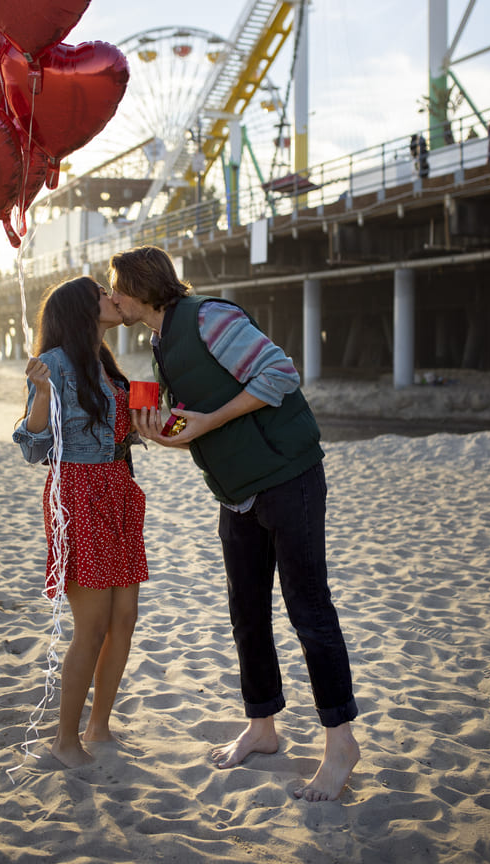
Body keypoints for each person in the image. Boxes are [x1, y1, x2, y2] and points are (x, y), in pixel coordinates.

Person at [108, 246, 359, 802]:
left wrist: (208, 420)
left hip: (288, 476)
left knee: (309, 610)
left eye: (116, 288)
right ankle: (262, 726)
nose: (113, 299)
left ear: (140, 287)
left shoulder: (209, 318)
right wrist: (164, 433)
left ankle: (341, 742)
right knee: (246, 612)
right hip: (237, 493)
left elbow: (280, 374)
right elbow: (197, 426)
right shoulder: (160, 344)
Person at [13, 276, 148, 768]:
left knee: (124, 619)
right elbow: (33, 448)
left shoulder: (106, 365)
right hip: (78, 495)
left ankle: (99, 725)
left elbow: (123, 430)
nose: (112, 298)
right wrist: (41, 395)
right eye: (102, 294)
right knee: (91, 625)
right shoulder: (53, 365)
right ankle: (65, 741)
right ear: (81, 311)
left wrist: (151, 422)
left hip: (118, 490)